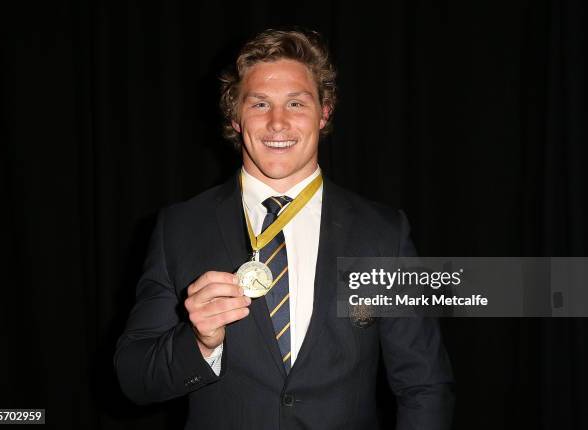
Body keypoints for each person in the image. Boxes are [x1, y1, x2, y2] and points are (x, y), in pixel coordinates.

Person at [114, 29, 454, 429]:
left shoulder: (381, 232)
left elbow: (424, 385)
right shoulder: (180, 228)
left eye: (296, 103)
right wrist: (201, 343)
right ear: (235, 116)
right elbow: (134, 379)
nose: (278, 123)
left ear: (324, 112)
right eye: (260, 104)